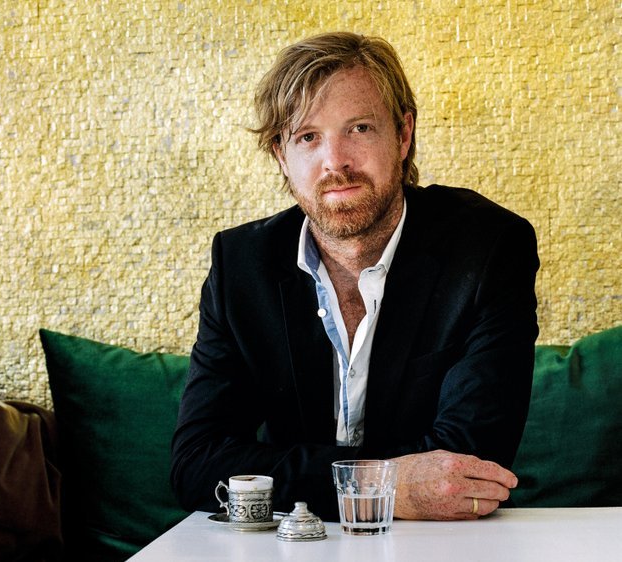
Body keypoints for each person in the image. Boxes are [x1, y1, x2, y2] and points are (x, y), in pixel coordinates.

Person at [170, 31, 539, 521]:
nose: (335, 161)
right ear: (282, 155)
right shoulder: (241, 266)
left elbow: (466, 469)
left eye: (360, 128)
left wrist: (292, 478)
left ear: (403, 134)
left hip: (441, 546)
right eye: (308, 137)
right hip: (295, 548)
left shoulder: (489, 248)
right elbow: (196, 466)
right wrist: (383, 484)